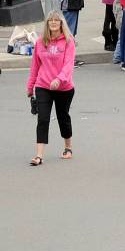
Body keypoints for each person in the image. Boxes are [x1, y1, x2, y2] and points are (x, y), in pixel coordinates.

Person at [26, 11, 77, 166]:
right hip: (43, 85)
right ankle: (39, 155)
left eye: (57, 20)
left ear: (62, 23)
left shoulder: (68, 41)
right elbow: (35, 66)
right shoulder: (41, 42)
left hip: (64, 87)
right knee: (43, 118)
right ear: (47, 23)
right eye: (51, 20)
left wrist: (59, 79)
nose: (54, 23)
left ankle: (68, 147)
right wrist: (30, 86)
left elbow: (69, 65)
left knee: (63, 117)